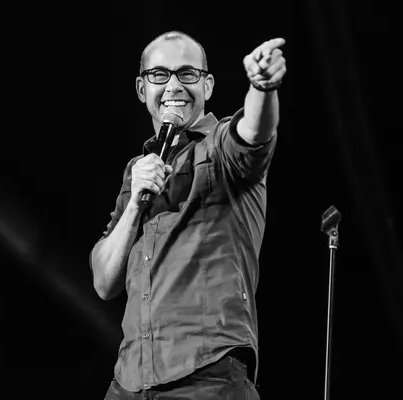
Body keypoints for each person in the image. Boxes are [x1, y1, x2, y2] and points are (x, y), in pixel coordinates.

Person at [89, 30, 286, 400]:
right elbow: (104, 281)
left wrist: (262, 88)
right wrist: (135, 205)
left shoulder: (221, 149)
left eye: (187, 74)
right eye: (159, 75)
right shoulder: (138, 171)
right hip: (129, 382)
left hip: (206, 376)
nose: (174, 85)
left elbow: (254, 131)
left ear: (207, 85)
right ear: (142, 89)